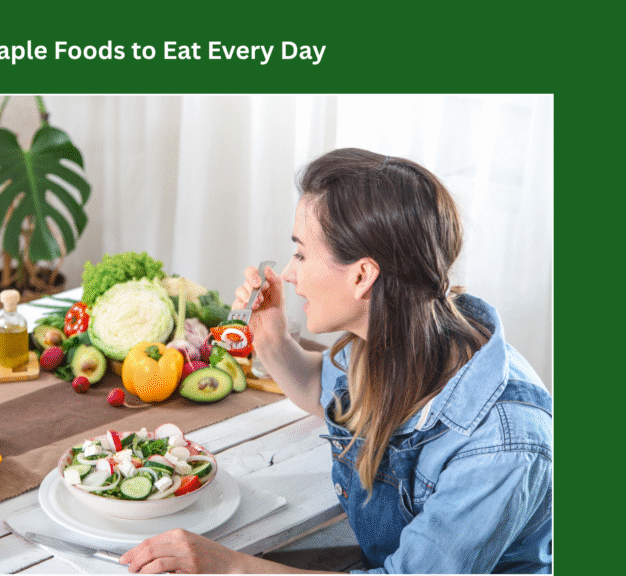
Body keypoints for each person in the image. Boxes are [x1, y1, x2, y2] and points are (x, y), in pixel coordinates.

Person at [118, 148, 552, 574]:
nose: (289, 274)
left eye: (302, 254)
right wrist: (272, 338)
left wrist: (229, 566)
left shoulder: (500, 446)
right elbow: (322, 393)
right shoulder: (401, 335)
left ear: (362, 276)